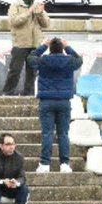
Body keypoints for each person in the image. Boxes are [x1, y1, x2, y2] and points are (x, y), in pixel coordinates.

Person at [26, 37, 82, 172]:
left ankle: (45, 164)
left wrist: (43, 46)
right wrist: (67, 46)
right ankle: (64, 164)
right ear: (62, 48)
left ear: (49, 48)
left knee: (47, 133)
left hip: (46, 101)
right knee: (63, 134)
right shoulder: (69, 61)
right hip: (64, 102)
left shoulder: (43, 60)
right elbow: (79, 60)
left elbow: (30, 58)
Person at [3, 0, 49, 96]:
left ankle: (28, 95)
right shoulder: (16, 5)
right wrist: (29, 12)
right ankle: (7, 94)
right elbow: (13, 22)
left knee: (32, 73)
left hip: (35, 45)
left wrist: (41, 13)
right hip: (20, 44)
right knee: (15, 71)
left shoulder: (37, 5)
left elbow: (46, 24)